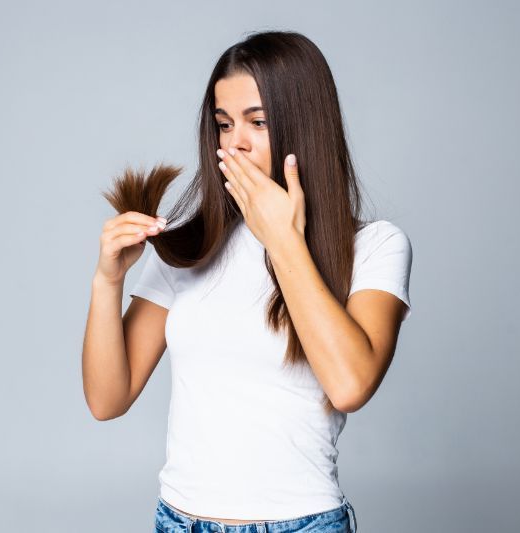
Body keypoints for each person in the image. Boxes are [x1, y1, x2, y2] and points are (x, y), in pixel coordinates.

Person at [82, 30, 412, 532]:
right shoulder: (192, 246)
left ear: (304, 126)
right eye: (223, 124)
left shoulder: (376, 247)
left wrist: (283, 242)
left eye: (258, 122)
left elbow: (349, 385)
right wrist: (108, 282)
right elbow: (108, 399)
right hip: (180, 521)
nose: (235, 141)